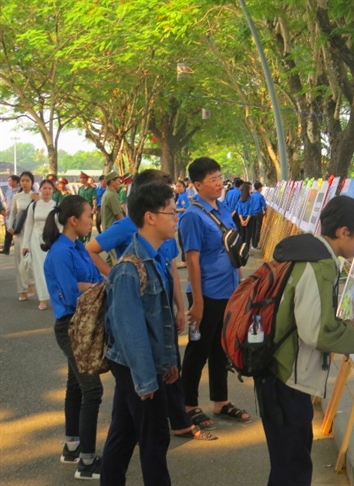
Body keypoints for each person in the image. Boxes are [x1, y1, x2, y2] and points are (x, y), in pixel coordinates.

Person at [255, 195, 354, 486]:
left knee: (289, 463)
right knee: (292, 470)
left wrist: (349, 325)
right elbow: (315, 333)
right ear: (344, 232)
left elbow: (306, 317)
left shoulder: (308, 253)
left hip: (280, 376)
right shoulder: (319, 265)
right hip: (287, 381)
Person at [86, 170, 216, 440]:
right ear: (149, 209)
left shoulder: (163, 234)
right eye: (166, 194)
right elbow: (92, 250)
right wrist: (117, 278)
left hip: (162, 312)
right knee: (145, 418)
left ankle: (178, 420)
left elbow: (169, 269)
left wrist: (181, 307)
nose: (174, 207)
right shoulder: (129, 233)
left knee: (166, 373)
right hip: (140, 315)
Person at [101, 183, 179, 485]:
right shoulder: (127, 269)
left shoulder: (153, 256)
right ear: (150, 216)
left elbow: (161, 322)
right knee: (155, 438)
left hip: (144, 364)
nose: (176, 218)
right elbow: (130, 331)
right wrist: (146, 380)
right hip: (135, 365)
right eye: (171, 212)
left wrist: (170, 360)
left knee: (123, 434)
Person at [179, 157, 251, 426]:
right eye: (213, 179)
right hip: (205, 294)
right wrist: (197, 302)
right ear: (197, 185)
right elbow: (192, 261)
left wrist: (241, 288)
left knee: (221, 349)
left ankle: (220, 402)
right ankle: (188, 405)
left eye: (220, 177)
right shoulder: (192, 216)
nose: (219, 183)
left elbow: (233, 251)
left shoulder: (223, 209)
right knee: (198, 350)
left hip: (228, 292)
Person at [42, 195, 104, 480]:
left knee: (76, 386)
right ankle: (87, 463)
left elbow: (90, 281)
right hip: (71, 326)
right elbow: (70, 293)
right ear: (73, 220)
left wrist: (90, 285)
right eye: (90, 215)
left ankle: (72, 447)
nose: (93, 220)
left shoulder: (77, 247)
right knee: (92, 389)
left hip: (84, 323)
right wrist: (92, 286)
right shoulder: (60, 252)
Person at [22, 179, 57, 310]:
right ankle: (42, 298)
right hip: (36, 240)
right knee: (39, 268)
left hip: (51, 240)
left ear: (53, 191)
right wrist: (25, 244)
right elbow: (29, 225)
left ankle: (55, 295)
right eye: (44, 188)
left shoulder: (56, 205)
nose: (47, 191)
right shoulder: (34, 206)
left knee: (52, 269)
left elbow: (60, 226)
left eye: (49, 188)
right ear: (40, 190)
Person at [7, 171, 38, 300]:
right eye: (23, 180)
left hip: (32, 231)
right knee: (19, 261)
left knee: (30, 260)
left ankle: (31, 283)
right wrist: (10, 227)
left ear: (32, 182)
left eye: (27, 180)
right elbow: (12, 213)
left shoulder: (36, 196)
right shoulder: (17, 196)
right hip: (20, 231)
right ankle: (22, 290)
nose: (24, 183)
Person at [1, 174, 20, 255]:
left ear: (16, 181)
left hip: (17, 214)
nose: (9, 182)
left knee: (18, 232)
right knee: (8, 232)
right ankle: (6, 249)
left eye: (10, 181)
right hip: (9, 214)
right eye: (8, 181)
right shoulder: (8, 191)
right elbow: (6, 201)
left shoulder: (20, 191)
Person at [174, 179, 190, 268]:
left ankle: (185, 261)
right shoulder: (179, 196)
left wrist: (175, 210)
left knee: (183, 242)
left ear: (184, 187)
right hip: (179, 221)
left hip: (183, 221)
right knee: (181, 242)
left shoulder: (183, 197)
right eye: (176, 186)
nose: (178, 188)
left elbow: (186, 208)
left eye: (180, 186)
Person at [78, 172, 97, 243]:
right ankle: (80, 240)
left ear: (85, 179)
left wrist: (94, 207)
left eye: (81, 178)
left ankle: (87, 240)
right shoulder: (80, 189)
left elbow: (94, 198)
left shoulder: (92, 189)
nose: (80, 180)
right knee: (80, 223)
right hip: (80, 209)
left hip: (89, 210)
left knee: (88, 224)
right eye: (80, 178)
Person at [236, 182, 253, 251]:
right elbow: (251, 211)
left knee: (242, 234)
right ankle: (246, 250)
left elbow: (239, 211)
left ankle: (241, 249)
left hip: (241, 218)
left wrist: (242, 220)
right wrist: (247, 220)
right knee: (248, 236)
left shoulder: (240, 199)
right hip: (249, 219)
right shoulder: (250, 199)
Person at [250, 181, 267, 249]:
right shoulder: (260, 196)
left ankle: (252, 244)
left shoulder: (251, 196)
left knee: (253, 229)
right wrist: (265, 211)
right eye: (261, 188)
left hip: (251, 214)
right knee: (257, 229)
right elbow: (264, 206)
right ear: (259, 188)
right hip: (258, 214)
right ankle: (255, 244)